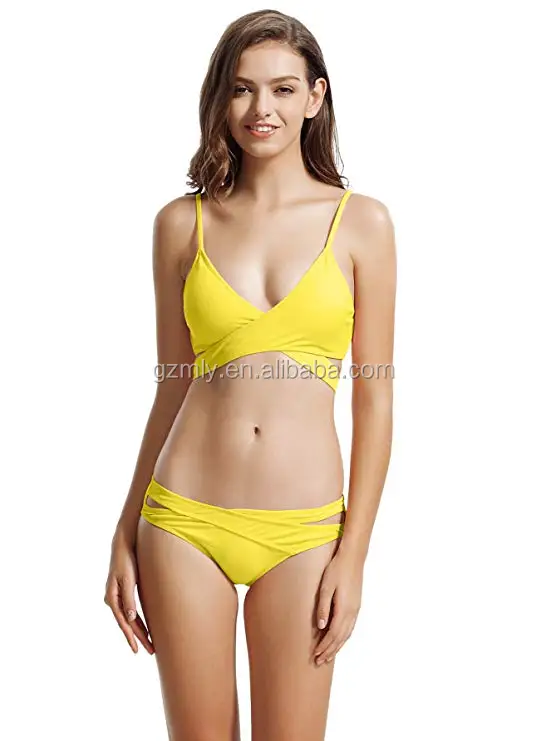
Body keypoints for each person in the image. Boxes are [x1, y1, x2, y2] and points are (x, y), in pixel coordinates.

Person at [104, 8, 396, 741]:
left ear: (315, 97)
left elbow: (375, 398)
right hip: (182, 520)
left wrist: (354, 555)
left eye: (283, 88)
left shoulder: (362, 223)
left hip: (305, 531)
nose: (261, 108)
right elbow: (172, 383)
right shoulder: (181, 224)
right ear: (220, 99)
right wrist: (125, 528)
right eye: (241, 88)